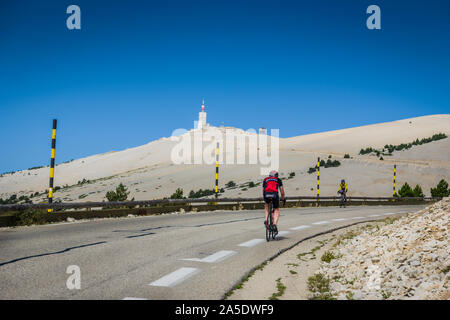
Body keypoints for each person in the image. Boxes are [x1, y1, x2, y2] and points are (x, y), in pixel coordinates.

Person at [263, 170, 285, 235]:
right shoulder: (278, 180)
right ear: (276, 175)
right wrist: (283, 198)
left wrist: (265, 198)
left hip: (266, 195)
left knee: (267, 206)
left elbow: (263, 190)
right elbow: (282, 192)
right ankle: (275, 224)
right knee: (276, 209)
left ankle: (266, 221)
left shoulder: (265, 179)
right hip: (274, 195)